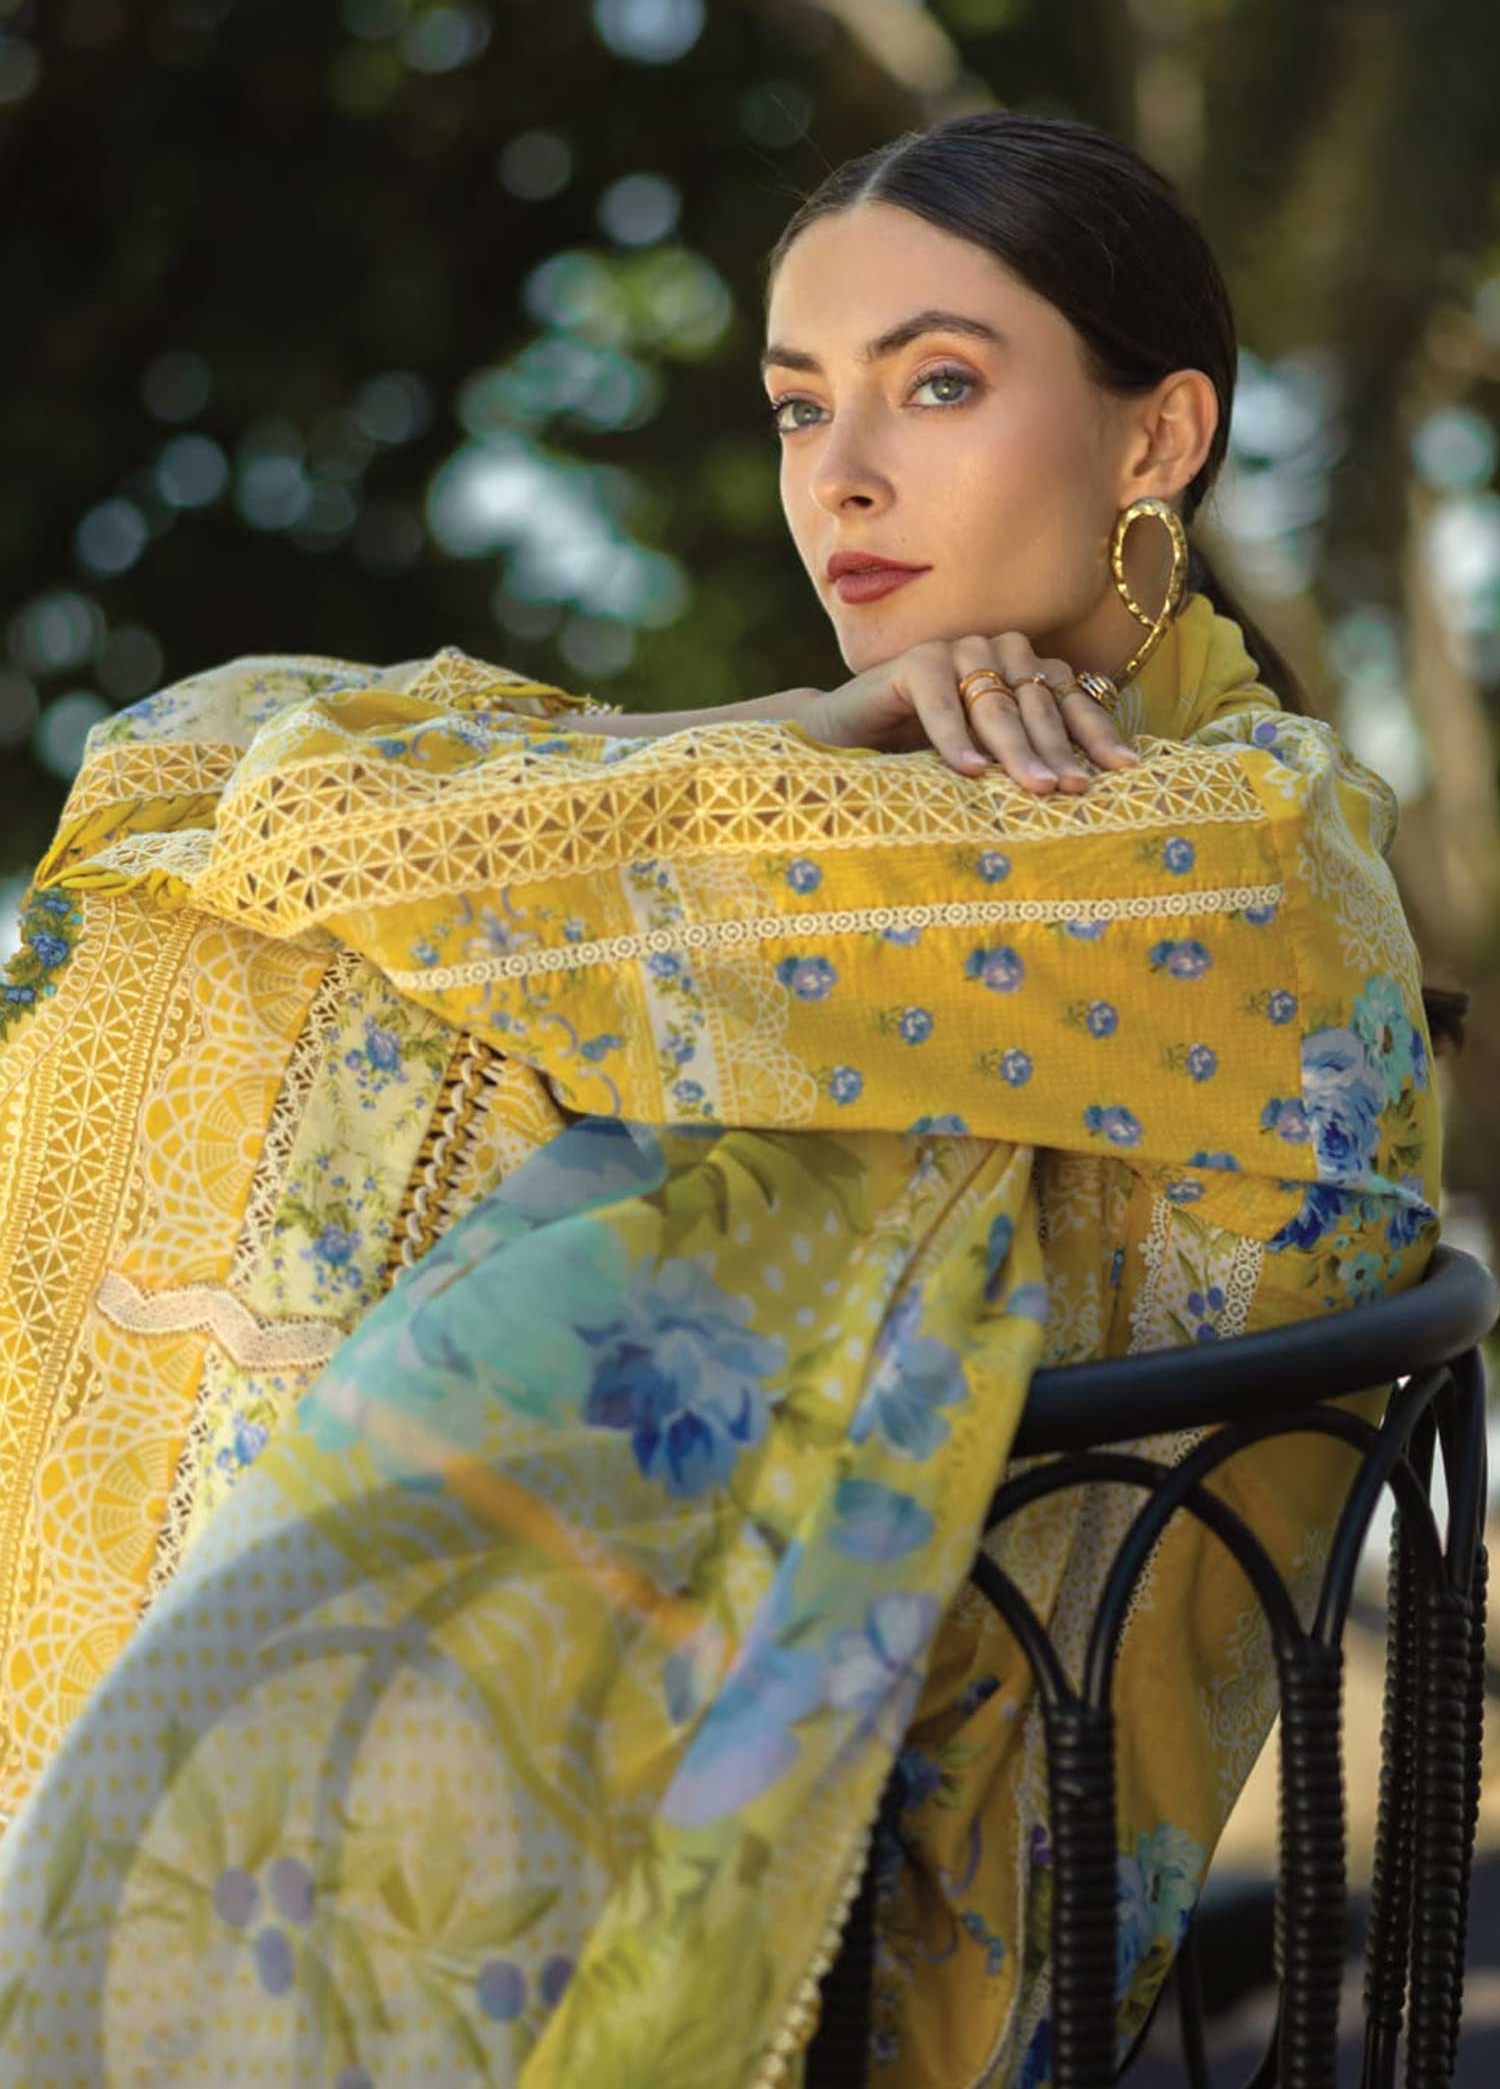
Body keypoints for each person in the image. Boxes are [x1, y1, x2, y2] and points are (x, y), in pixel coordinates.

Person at [0, 111, 1452, 2088]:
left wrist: (764, 743)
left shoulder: (1205, 844)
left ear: (1159, 437)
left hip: (880, 1933)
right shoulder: (993, 811)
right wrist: (793, 724)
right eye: (796, 406)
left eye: (939, 384)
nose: (839, 475)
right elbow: (188, 786)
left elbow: (222, 807)